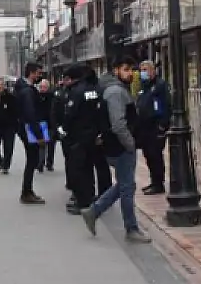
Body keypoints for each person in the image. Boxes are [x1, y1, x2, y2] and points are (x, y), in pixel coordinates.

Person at [82, 56, 152, 244]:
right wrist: (130, 144)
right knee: (127, 188)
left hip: (118, 145)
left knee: (124, 184)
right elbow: (118, 124)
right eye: (126, 69)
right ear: (116, 70)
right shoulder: (115, 91)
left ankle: (93, 211)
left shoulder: (117, 88)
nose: (130, 73)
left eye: (131, 70)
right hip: (120, 146)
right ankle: (131, 228)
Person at [61, 65, 112, 215]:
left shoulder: (77, 91)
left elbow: (70, 115)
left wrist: (63, 130)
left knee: (82, 170)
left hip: (79, 136)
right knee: (100, 166)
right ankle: (104, 196)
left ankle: (84, 202)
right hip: (95, 135)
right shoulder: (98, 90)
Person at [136, 60, 171, 196]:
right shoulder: (144, 86)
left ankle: (159, 184)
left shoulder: (160, 85)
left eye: (145, 70)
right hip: (145, 128)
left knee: (155, 154)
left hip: (156, 126)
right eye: (141, 70)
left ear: (153, 71)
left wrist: (163, 125)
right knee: (148, 155)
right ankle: (153, 181)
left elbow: (167, 105)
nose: (143, 73)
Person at [14, 62, 45, 204]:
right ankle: (26, 192)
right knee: (32, 160)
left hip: (25, 128)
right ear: (31, 73)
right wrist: (39, 135)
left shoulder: (25, 88)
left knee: (32, 160)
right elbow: (31, 114)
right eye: (38, 73)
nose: (40, 76)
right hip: (29, 129)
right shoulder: (27, 91)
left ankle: (27, 191)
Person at [50, 76, 71, 177]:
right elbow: (54, 112)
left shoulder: (75, 92)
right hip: (62, 128)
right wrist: (58, 127)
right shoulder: (58, 94)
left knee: (71, 157)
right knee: (68, 156)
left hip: (71, 129)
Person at [36, 78, 55, 172]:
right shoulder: (36, 96)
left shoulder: (52, 97)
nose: (42, 89)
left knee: (51, 145)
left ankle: (49, 163)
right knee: (41, 144)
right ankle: (40, 163)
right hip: (41, 123)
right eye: (41, 87)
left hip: (51, 124)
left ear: (48, 87)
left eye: (44, 87)